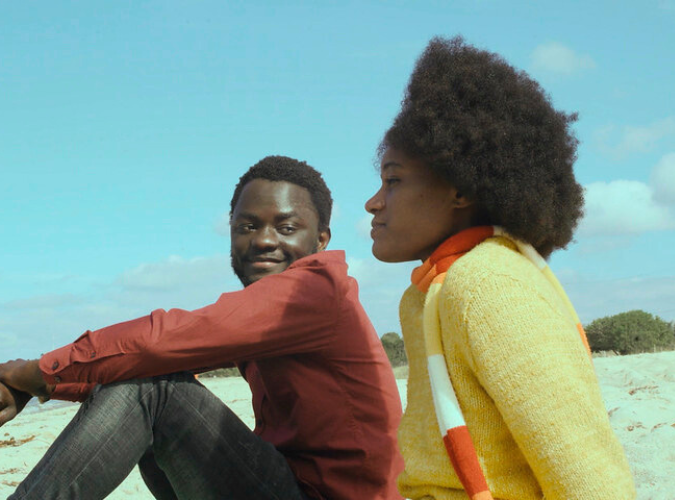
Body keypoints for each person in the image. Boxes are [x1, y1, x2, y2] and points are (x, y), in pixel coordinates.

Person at [0, 156, 404, 500]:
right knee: (149, 376)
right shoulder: (270, 317)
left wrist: (37, 372)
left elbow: (158, 342)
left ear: (320, 241)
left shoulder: (315, 291)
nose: (264, 241)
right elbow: (152, 356)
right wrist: (41, 387)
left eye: (285, 228)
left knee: (154, 387)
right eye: (247, 227)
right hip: (290, 485)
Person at [365, 36, 636, 500]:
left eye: (393, 180)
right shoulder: (434, 291)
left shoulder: (486, 285)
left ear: (461, 189)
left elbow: (587, 474)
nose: (374, 203)